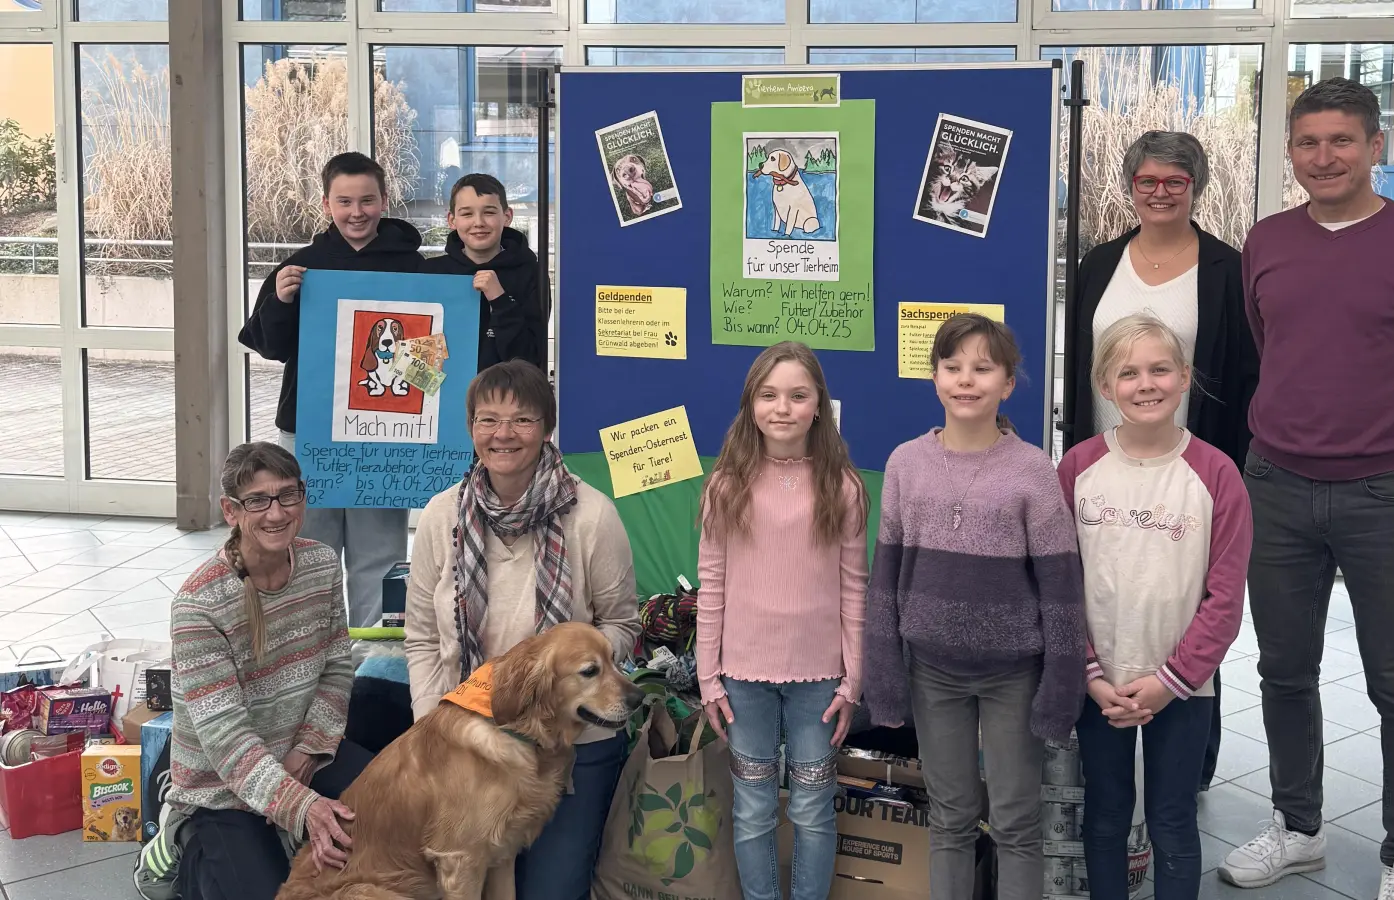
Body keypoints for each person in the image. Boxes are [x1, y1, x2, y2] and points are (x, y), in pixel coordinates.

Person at [1219, 77, 1394, 900]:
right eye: (1308, 142)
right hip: (1279, 486)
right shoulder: (1266, 240)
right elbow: (1272, 345)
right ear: (1291, 153)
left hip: (1388, 495)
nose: (1323, 157)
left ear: (1377, 147)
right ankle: (1298, 829)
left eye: (1342, 140)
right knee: (1282, 672)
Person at [865, 313, 1085, 900]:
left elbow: (1062, 589)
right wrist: (882, 676)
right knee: (950, 816)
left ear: (1008, 383)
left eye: (983, 368)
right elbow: (884, 580)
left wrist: (1063, 687)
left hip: (1015, 674)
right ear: (934, 377)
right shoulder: (905, 464)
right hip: (932, 673)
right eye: (953, 366)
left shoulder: (1033, 470)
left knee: (1016, 821)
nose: (966, 379)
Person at [404, 359, 642, 900]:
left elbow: (623, 623)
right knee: (471, 884)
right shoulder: (443, 517)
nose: (503, 434)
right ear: (470, 429)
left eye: (522, 420)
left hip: (574, 741)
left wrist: (562, 669)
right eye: (488, 420)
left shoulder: (592, 516)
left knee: (551, 892)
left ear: (547, 429)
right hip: (471, 741)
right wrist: (429, 722)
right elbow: (419, 635)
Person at [1070, 130, 1259, 794]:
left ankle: (1189, 763)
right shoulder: (1098, 264)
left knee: (1190, 606)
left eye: (1174, 182)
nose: (1159, 193)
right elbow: (1081, 362)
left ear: (1195, 187)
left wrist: (1228, 476)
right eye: (1147, 181)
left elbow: (1242, 378)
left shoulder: (1228, 270)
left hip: (1191, 474)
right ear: (1131, 187)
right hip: (1108, 465)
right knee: (1108, 603)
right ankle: (1106, 725)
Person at [1058, 314, 1250, 900]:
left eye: (1160, 369)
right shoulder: (1076, 470)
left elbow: (1225, 599)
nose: (1146, 383)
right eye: (1128, 372)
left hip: (1183, 689)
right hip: (1099, 687)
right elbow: (1058, 587)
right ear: (1103, 384)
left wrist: (1173, 680)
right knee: (1107, 812)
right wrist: (1088, 672)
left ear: (1185, 376)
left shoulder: (1217, 475)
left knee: (1172, 819)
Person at [696, 341, 869, 900]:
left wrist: (853, 677)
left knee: (815, 810)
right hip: (742, 675)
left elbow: (853, 588)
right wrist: (707, 676)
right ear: (750, 404)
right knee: (752, 810)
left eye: (798, 395)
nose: (783, 408)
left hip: (818, 679)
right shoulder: (726, 484)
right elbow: (713, 584)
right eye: (768, 395)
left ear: (819, 404)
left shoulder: (841, 486)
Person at [165, 442, 372, 900]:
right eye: (258, 500)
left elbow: (337, 668)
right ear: (231, 510)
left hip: (303, 758)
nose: (276, 513)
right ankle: (180, 853)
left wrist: (310, 749)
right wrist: (303, 808)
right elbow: (226, 738)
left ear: (303, 497)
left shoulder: (319, 564)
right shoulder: (198, 603)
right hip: (220, 789)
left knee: (394, 807)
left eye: (288, 495)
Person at [238, 151, 424, 629]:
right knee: (306, 550)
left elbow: (430, 365)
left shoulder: (418, 271)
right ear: (326, 204)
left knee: (381, 555)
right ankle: (307, 649)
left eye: (366, 200)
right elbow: (269, 346)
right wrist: (280, 301)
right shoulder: (299, 269)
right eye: (344, 201)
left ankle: (372, 663)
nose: (356, 212)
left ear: (384, 201)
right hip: (310, 432)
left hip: (386, 435)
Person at [421, 172, 548, 373]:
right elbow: (416, 348)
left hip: (506, 398)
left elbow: (529, 358)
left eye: (489, 212)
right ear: (452, 220)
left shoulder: (531, 274)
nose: (478, 222)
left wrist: (500, 300)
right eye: (467, 214)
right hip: (445, 394)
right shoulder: (431, 273)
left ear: (507, 217)